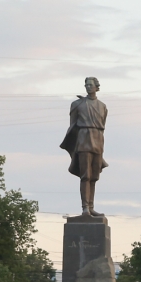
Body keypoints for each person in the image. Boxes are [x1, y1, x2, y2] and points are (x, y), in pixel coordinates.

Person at [60, 77, 109, 216]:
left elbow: (102, 125)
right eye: (86, 85)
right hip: (83, 140)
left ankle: (91, 207)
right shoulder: (77, 104)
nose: (88, 87)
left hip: (98, 140)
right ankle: (85, 208)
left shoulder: (103, 106)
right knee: (85, 176)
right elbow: (72, 126)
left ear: (96, 87)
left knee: (94, 176)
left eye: (90, 85)